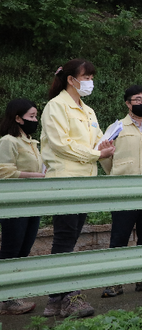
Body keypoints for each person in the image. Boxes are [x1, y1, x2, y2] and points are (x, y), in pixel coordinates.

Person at [40, 59, 115, 318]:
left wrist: (106, 147)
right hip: (65, 180)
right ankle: (68, 296)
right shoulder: (55, 106)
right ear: (71, 79)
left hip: (85, 180)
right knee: (64, 236)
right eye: (87, 76)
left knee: (71, 236)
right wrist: (95, 153)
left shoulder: (89, 110)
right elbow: (61, 144)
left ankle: (55, 300)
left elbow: (98, 140)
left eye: (92, 76)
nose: (90, 81)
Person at [99, 85, 142, 298]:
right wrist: (120, 175)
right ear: (128, 103)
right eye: (137, 99)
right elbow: (105, 158)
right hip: (124, 191)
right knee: (120, 237)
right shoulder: (116, 127)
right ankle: (114, 283)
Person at [0, 99, 45, 315]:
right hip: (14, 203)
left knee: (23, 249)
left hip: (32, 203)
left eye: (36, 116)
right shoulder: (8, 141)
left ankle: (12, 293)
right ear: (17, 118)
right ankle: (8, 298)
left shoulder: (32, 142)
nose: (35, 120)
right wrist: (39, 175)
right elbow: (4, 172)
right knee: (11, 250)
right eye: (32, 116)